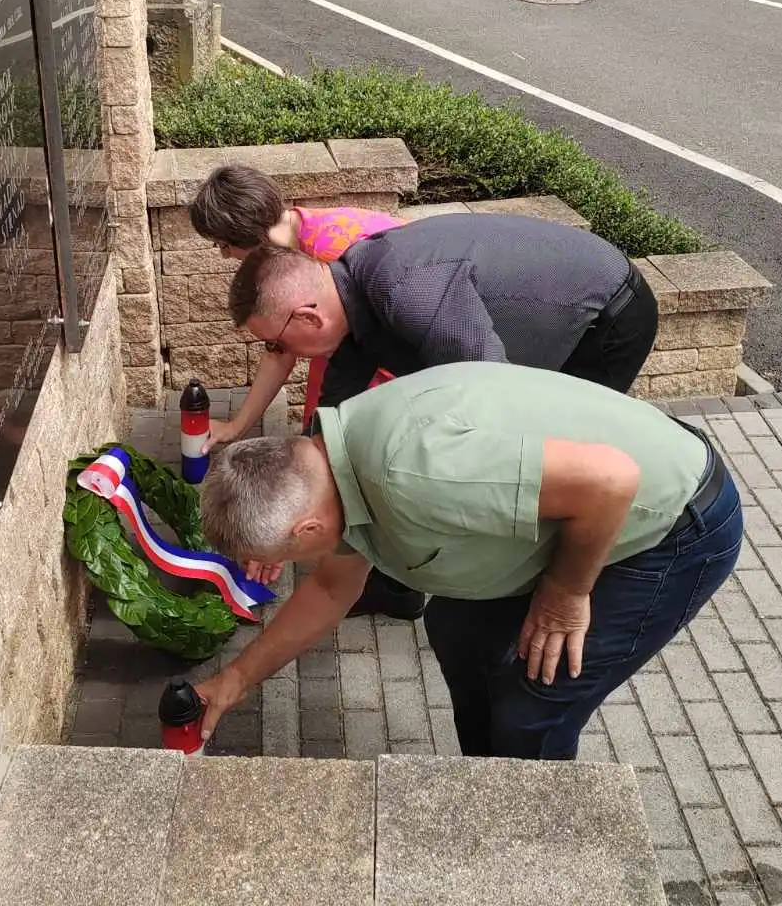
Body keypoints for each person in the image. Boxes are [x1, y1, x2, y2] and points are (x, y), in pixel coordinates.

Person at [190, 361, 743, 760]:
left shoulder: (416, 474)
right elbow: (333, 590)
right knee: (458, 628)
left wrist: (563, 597)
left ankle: (539, 853)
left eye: (278, 559)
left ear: (307, 527)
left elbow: (609, 482)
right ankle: (491, 787)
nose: (280, 571)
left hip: (672, 521)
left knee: (531, 711)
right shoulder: (328, 465)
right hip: (592, 502)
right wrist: (233, 682)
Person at [228, 210, 660, 620]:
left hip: (608, 318)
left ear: (308, 317)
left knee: (550, 451)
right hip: (542, 319)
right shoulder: (350, 298)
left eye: (275, 344)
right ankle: (400, 588)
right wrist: (280, 514)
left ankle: (581, 573)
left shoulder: (405, 293)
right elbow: (331, 420)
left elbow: (497, 398)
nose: (281, 356)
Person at [187, 164, 405, 446]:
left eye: (224, 245)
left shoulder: (335, 252)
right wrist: (234, 429)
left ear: (251, 235)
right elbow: (279, 351)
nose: (225, 256)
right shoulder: (291, 243)